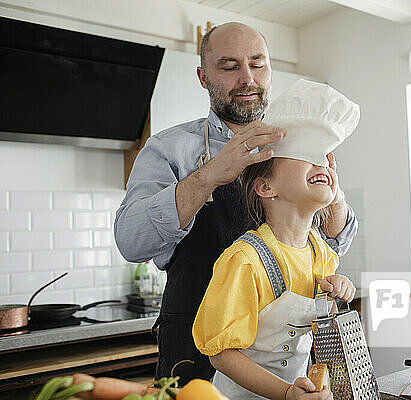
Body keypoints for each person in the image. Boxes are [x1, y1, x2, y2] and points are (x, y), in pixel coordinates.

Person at [114, 22, 358, 385]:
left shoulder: (298, 142)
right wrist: (210, 175)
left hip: (288, 364)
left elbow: (332, 244)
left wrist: (331, 188)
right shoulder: (170, 148)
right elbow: (131, 241)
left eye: (257, 64)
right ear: (203, 76)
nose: (247, 78)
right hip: (195, 355)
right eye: (229, 66)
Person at [192, 79, 359, 400]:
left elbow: (321, 322)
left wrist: (339, 291)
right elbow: (221, 353)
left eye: (324, 158)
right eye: (306, 156)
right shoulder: (244, 261)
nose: (322, 163)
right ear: (266, 187)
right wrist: (286, 393)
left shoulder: (320, 253)